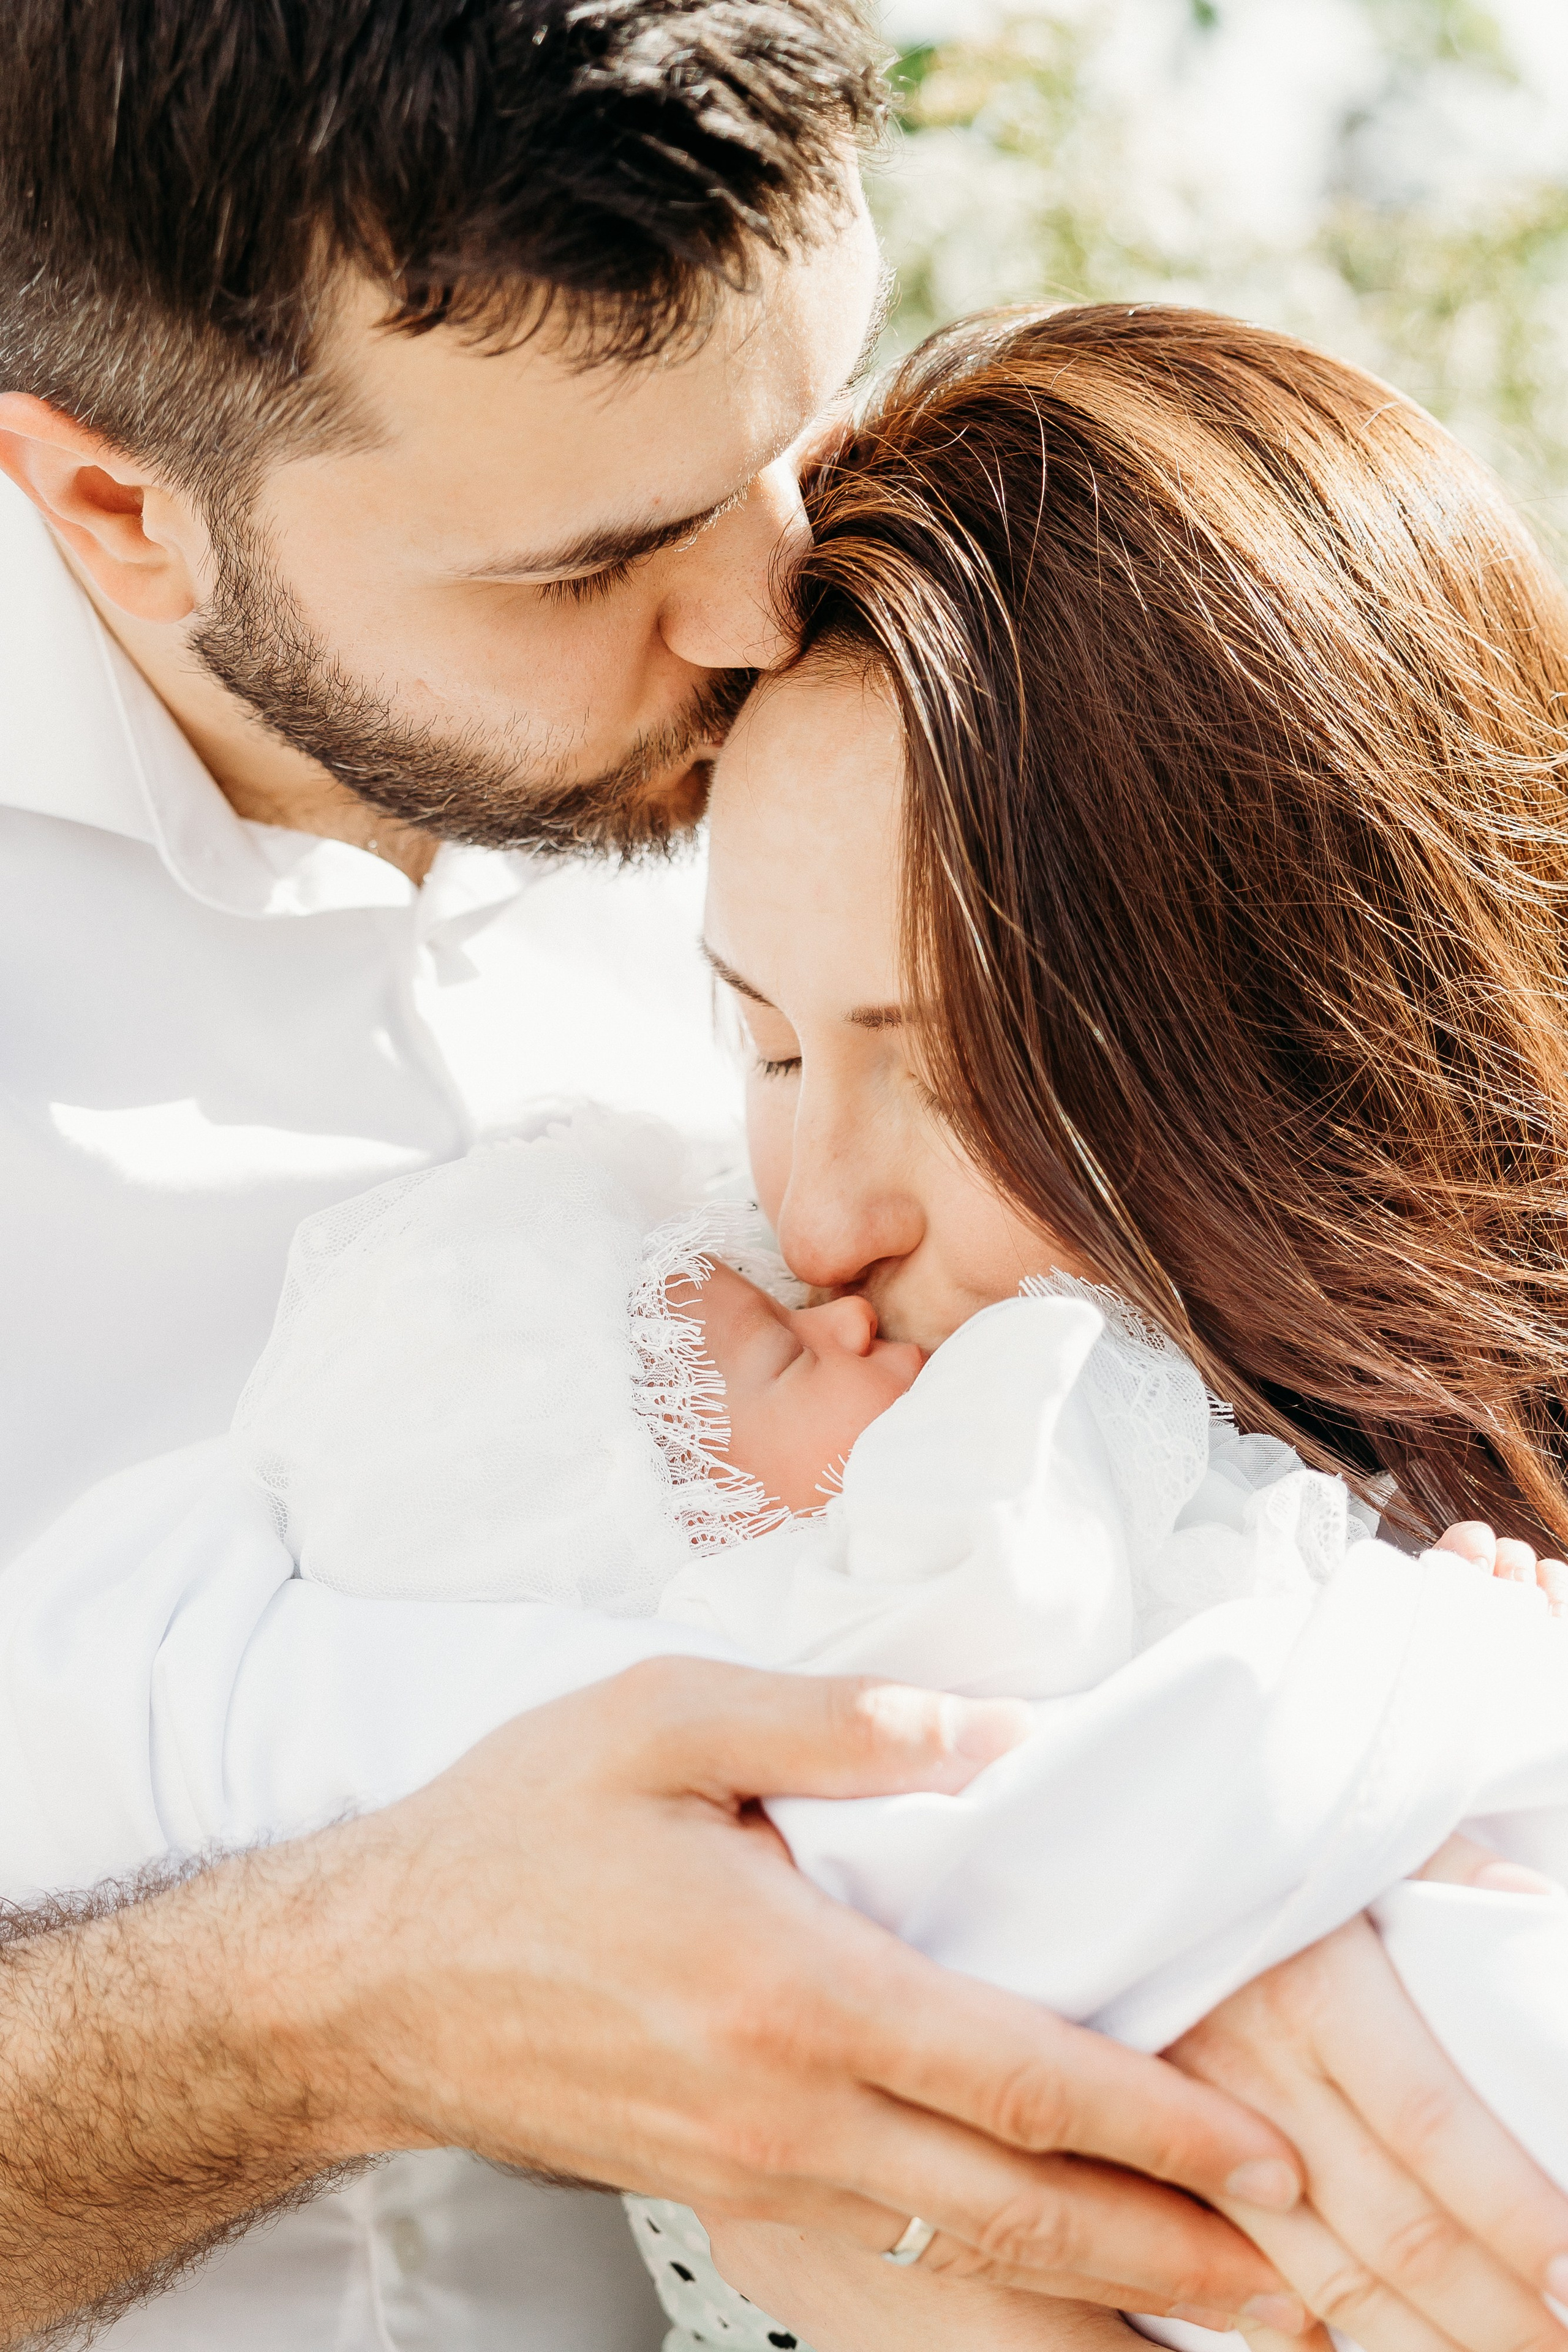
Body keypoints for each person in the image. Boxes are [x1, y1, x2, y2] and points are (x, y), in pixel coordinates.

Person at [0, 5, 1321, 2344]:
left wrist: (1277, 1890)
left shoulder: (874, 732)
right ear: (116, 507)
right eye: (593, 561)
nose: (764, 599)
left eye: (795, 432)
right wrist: (324, 2011)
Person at [687, 296, 1568, 2349]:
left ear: (1309, 1040)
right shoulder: (775, 1573)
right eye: (769, 1047)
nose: (819, 1215)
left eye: (964, 1062)